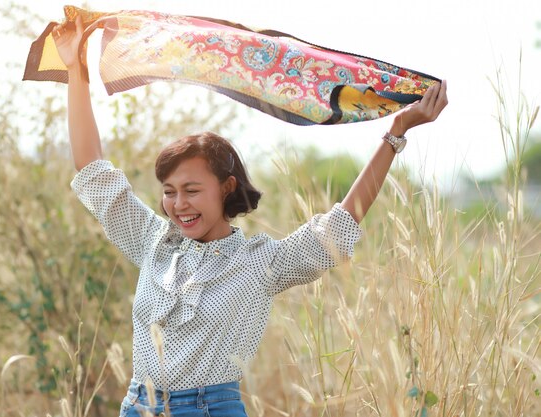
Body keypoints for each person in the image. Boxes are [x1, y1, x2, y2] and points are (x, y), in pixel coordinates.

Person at [53, 16, 448, 417]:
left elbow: (341, 222)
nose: (178, 205)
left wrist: (394, 136)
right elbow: (92, 169)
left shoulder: (260, 263)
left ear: (225, 188)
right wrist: (75, 68)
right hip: (138, 406)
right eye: (169, 193)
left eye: (192, 191)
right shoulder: (153, 242)